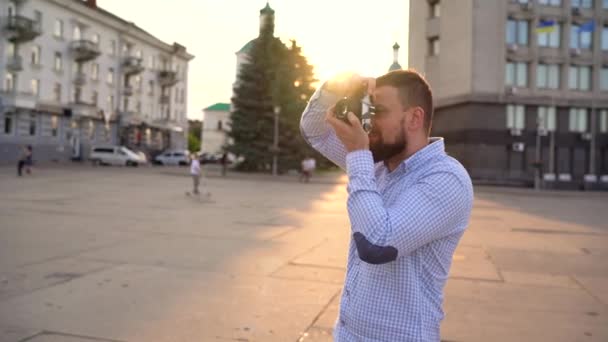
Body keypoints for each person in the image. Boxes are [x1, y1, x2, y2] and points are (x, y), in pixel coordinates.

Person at [300, 70, 473, 341]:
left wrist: (358, 154)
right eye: (368, 109)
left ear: (415, 118)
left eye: (378, 111)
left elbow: (377, 244)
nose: (368, 122)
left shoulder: (447, 178)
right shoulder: (377, 164)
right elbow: (315, 131)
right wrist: (336, 86)